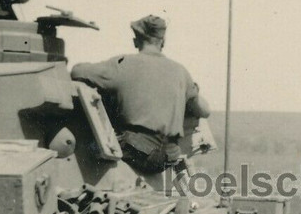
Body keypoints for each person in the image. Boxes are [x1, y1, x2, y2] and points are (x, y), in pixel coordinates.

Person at [72, 15, 211, 175]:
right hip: (168, 157)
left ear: (136, 41)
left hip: (137, 151)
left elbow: (77, 72)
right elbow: (204, 111)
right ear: (163, 41)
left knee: (90, 142)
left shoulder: (122, 64)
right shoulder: (181, 71)